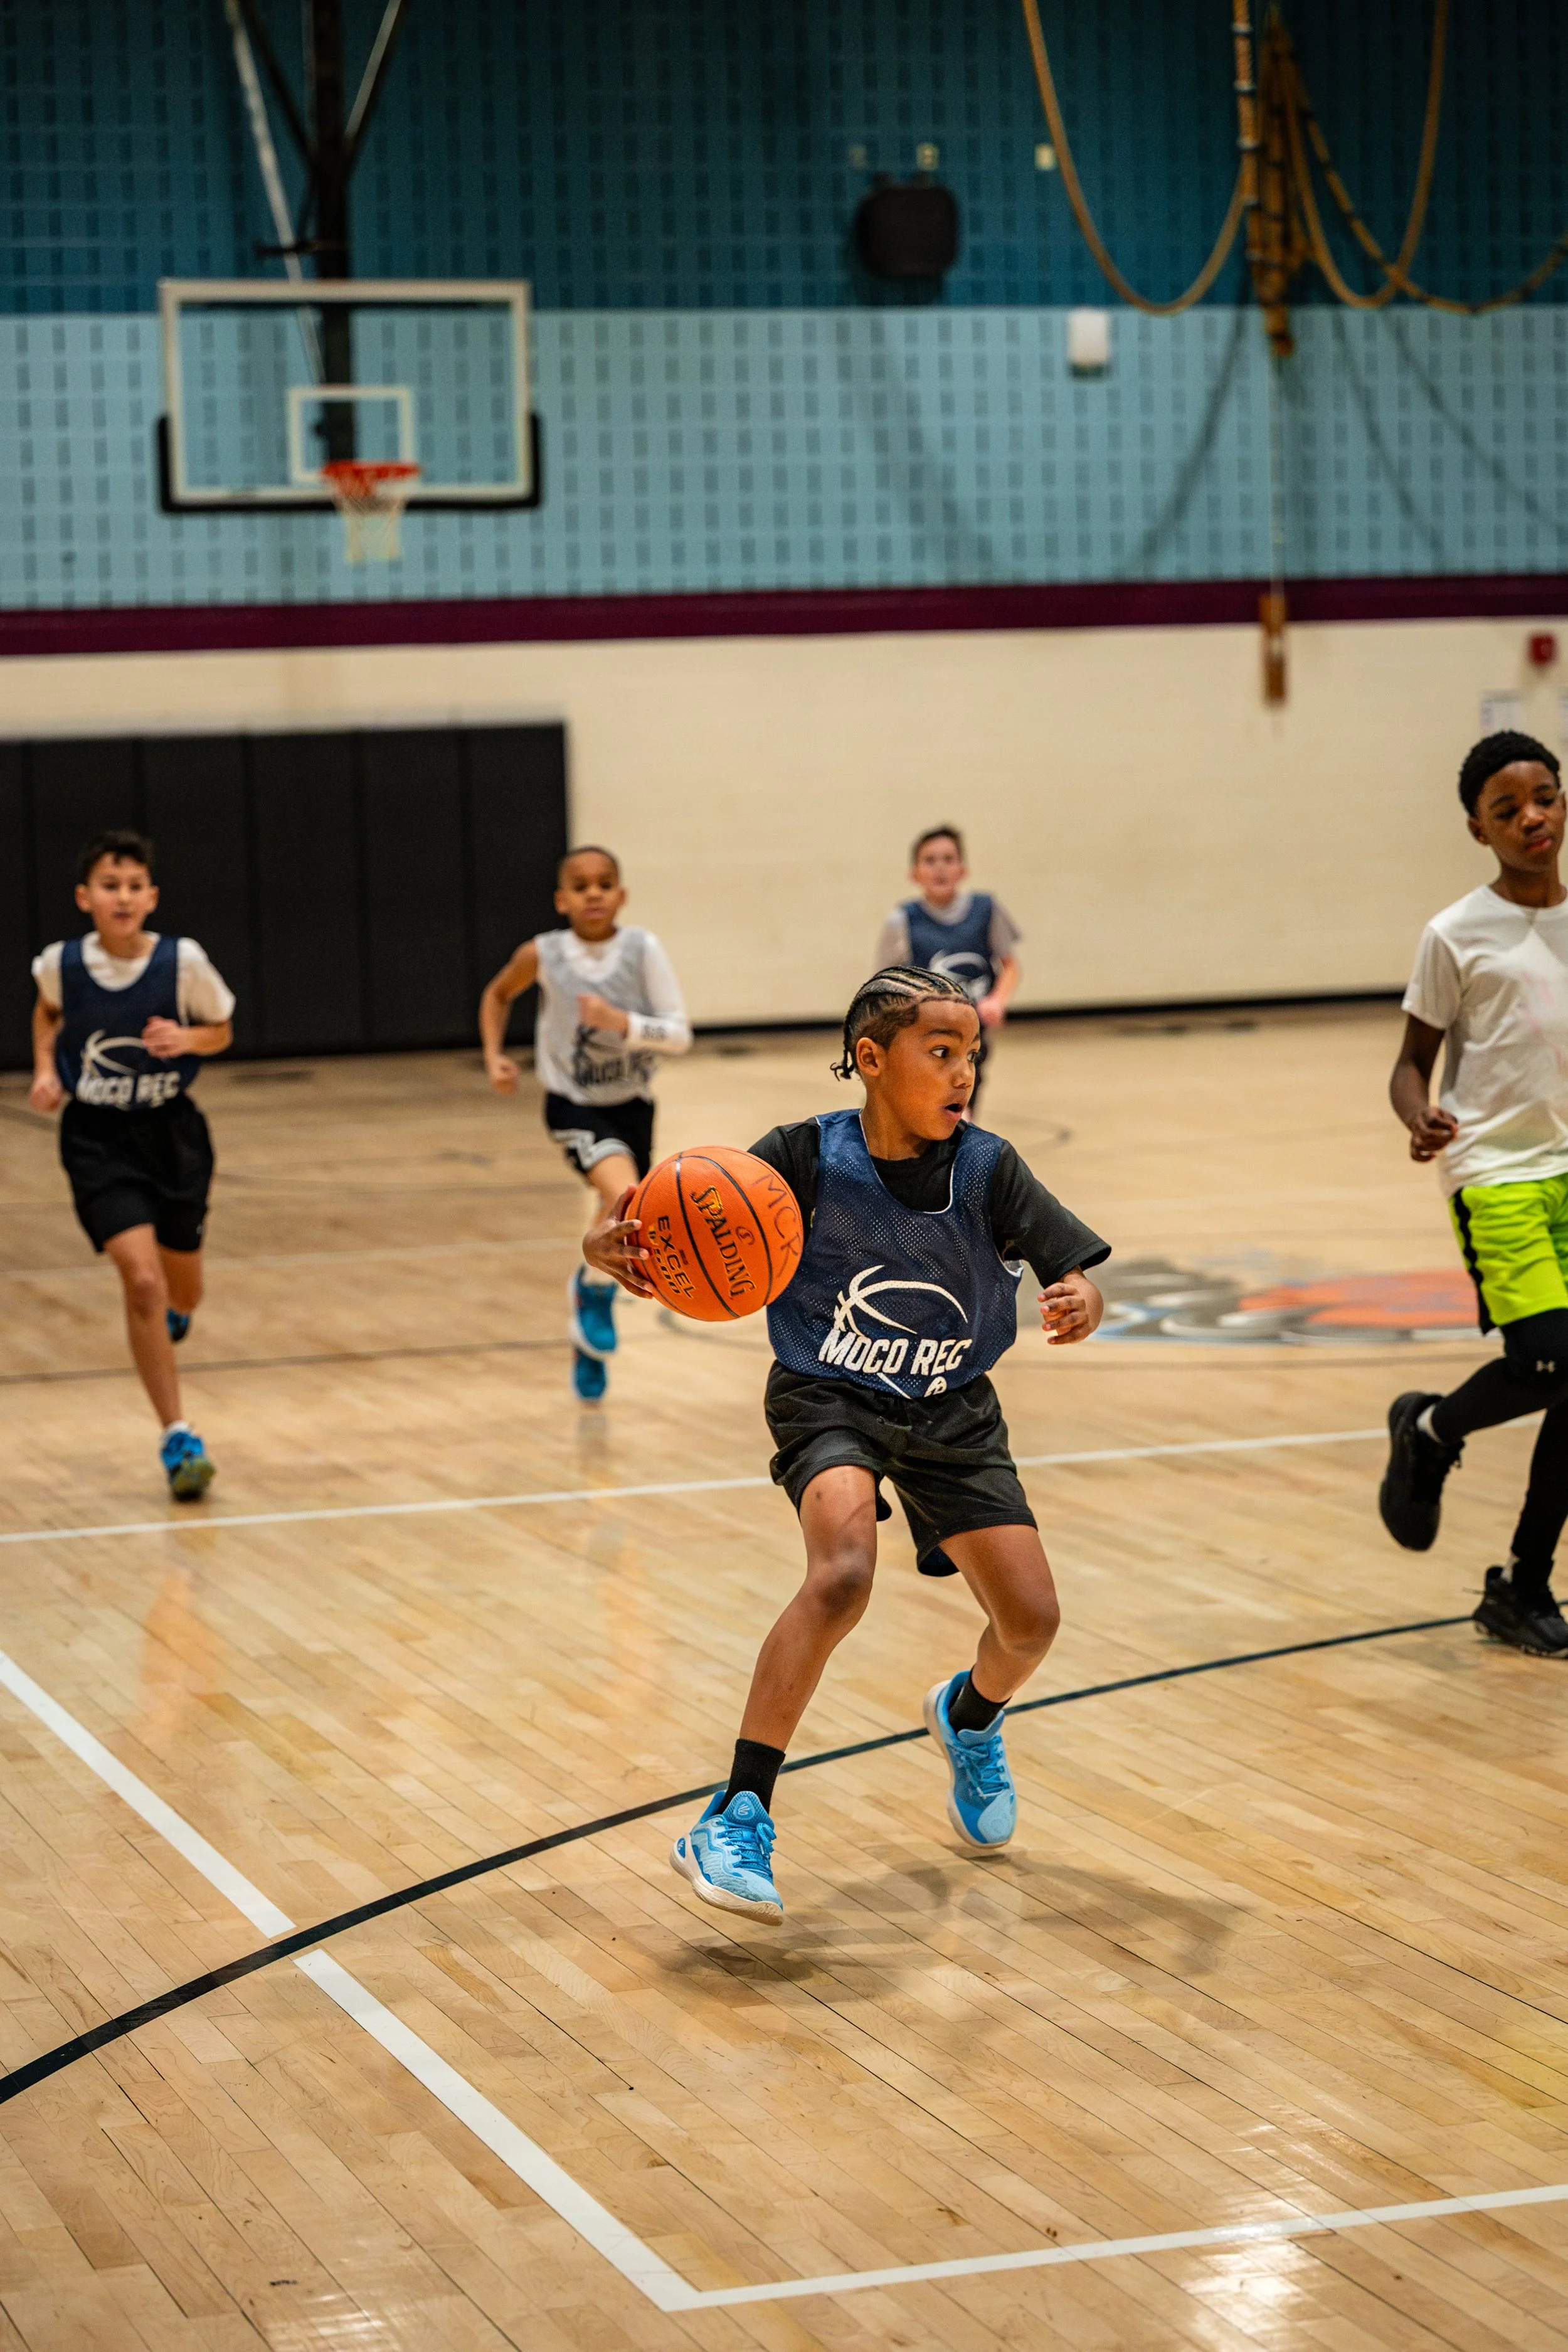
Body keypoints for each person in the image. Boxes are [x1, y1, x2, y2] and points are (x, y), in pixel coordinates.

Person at [585, 965, 1109, 1922]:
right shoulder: (800, 1158)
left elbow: (1071, 1266)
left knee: (1032, 1623)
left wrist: (1080, 1296)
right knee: (842, 1574)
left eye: (972, 1054)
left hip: (953, 1407)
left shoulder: (989, 1168)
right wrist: (607, 1249)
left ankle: (968, 1716)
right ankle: (737, 1812)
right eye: (940, 1052)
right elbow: (666, 1233)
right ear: (871, 1058)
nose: (963, 1072)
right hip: (828, 1392)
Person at [1379, 731, 1568, 1658]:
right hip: (1496, 1170)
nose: (1532, 817)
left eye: (1545, 797)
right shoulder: (1455, 933)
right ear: (1478, 828)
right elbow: (1410, 1064)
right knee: (1549, 1363)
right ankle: (1429, 1429)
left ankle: (1523, 1587)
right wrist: (1419, 1115)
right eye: (1507, 809)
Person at [28, 829, 235, 1500]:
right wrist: (45, 1068)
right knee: (141, 1280)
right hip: (97, 1138)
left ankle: (175, 1314)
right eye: (109, 886)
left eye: (134, 886)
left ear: (152, 897)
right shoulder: (60, 964)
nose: (122, 897)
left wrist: (188, 1038)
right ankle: (178, 1435)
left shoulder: (183, 962)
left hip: (172, 1134)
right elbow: (48, 1012)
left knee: (182, 1291)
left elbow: (222, 1031)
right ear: (84, 897)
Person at [479, 844, 691, 1401]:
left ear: (621, 894)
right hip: (573, 1104)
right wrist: (494, 1055)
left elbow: (680, 1035)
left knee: (619, 1210)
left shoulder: (642, 949)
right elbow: (497, 995)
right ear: (562, 900)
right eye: (581, 885)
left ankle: (590, 1298)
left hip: (633, 1104)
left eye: (604, 883)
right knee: (625, 1198)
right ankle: (597, 1295)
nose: (593, 893)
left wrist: (621, 1022)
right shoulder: (543, 953)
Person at [873, 825, 1022, 1116]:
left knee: (960, 1108)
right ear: (914, 874)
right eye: (930, 860)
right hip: (923, 1033)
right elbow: (883, 982)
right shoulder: (901, 921)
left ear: (963, 870)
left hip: (971, 1030)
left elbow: (1011, 966)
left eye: (948, 859)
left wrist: (998, 1000)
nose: (940, 868)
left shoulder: (987, 910)